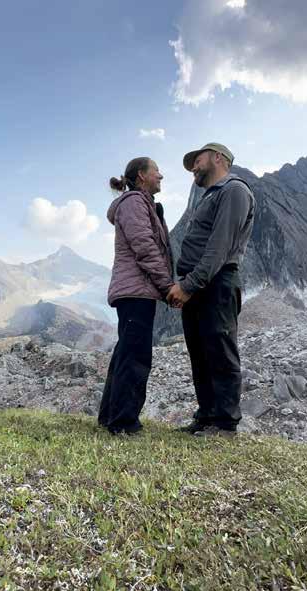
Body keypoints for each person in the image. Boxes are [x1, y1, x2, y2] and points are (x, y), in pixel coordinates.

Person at [167, 143, 255, 437]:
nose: (193, 167)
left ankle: (225, 423)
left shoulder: (234, 190)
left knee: (219, 351)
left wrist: (189, 285)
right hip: (200, 284)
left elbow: (219, 247)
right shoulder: (211, 195)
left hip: (216, 283)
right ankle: (206, 417)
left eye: (197, 160)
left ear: (218, 158)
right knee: (201, 353)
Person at [98, 157, 174, 435]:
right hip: (136, 291)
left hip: (135, 290)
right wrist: (167, 286)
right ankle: (124, 423)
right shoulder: (134, 203)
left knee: (126, 353)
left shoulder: (142, 203)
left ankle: (110, 417)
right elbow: (145, 247)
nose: (161, 176)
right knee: (136, 356)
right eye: (157, 171)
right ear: (142, 175)